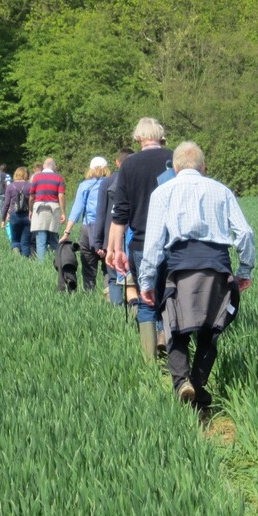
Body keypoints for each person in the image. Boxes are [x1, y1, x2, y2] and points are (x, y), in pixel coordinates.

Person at [139, 141, 255, 414]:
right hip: (217, 266)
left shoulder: (163, 192)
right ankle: (200, 387)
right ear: (203, 167)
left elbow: (154, 242)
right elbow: (245, 234)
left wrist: (146, 281)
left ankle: (181, 383)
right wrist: (245, 270)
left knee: (174, 326)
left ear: (175, 168)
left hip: (179, 267)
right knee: (211, 329)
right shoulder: (221, 191)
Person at [105, 118, 174, 360]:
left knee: (146, 300)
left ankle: (149, 362)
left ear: (138, 139)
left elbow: (120, 213)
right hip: (172, 242)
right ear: (161, 136)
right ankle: (166, 337)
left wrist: (115, 250)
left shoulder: (129, 165)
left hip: (141, 243)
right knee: (170, 295)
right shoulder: (174, 159)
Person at [60, 157, 110, 292]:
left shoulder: (85, 185)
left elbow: (77, 209)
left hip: (89, 228)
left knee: (88, 266)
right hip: (109, 228)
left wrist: (67, 232)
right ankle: (111, 297)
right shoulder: (112, 183)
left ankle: (89, 294)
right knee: (109, 266)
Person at [95, 148, 133, 305]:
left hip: (111, 237)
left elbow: (101, 213)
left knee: (113, 277)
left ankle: (117, 313)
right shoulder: (136, 180)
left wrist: (98, 241)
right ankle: (134, 313)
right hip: (132, 236)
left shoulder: (107, 182)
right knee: (133, 278)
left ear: (118, 162)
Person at [28, 157, 66, 262]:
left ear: (44, 166)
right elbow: (61, 196)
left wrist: (30, 209)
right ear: (54, 167)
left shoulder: (36, 178)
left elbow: (31, 196)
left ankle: (41, 264)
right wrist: (63, 212)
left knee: (40, 240)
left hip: (39, 209)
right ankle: (56, 262)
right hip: (53, 209)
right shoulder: (59, 178)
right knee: (54, 238)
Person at [1, 167, 33, 258]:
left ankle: (16, 259)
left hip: (14, 215)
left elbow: (6, 204)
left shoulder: (10, 186)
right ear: (26, 174)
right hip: (28, 216)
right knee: (25, 242)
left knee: (15, 240)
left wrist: (3, 219)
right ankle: (26, 262)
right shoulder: (30, 185)